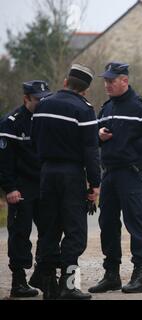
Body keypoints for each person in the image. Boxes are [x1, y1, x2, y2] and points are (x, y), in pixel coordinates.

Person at [88, 62, 142, 294]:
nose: (107, 84)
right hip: (110, 174)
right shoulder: (106, 107)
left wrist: (135, 148)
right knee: (108, 224)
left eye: (111, 81)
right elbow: (93, 138)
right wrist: (99, 136)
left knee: (134, 222)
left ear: (124, 80)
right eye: (105, 80)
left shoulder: (140, 106)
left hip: (131, 173)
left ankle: (139, 275)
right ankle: (111, 274)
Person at [32, 64, 101, 299]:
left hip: (46, 172)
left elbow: (34, 140)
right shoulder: (84, 109)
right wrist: (94, 184)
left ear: (65, 82)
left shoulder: (43, 104)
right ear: (85, 89)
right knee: (76, 232)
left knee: (49, 229)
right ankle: (69, 285)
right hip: (71, 175)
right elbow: (91, 150)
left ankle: (48, 283)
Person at [0, 80, 52, 298]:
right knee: (20, 233)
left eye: (45, 99)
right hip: (21, 187)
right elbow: (4, 160)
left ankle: (43, 273)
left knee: (50, 231)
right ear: (26, 99)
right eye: (38, 100)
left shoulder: (49, 120)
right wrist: (9, 188)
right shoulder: (12, 123)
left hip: (45, 184)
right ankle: (18, 281)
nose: (42, 103)